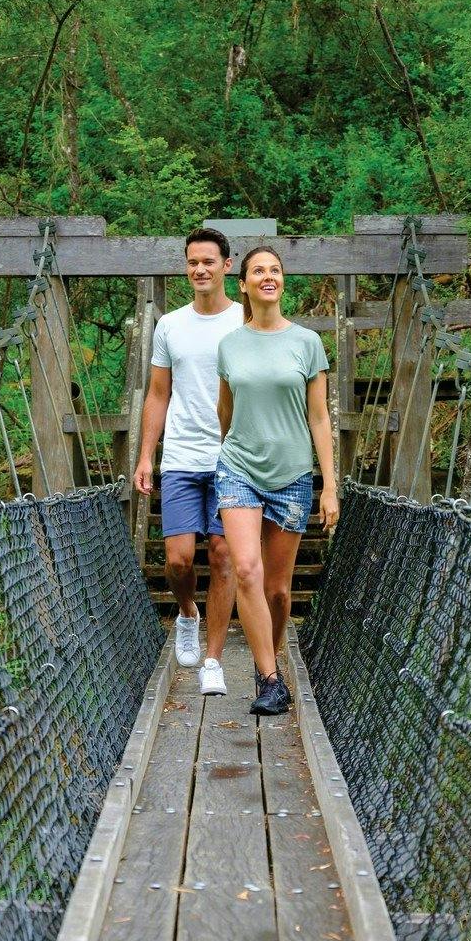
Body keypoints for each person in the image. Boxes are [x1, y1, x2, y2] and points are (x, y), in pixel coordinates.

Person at [215, 244, 339, 717]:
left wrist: (329, 486)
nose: (268, 276)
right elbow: (224, 412)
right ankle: (268, 677)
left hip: (291, 474)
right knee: (246, 568)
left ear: (283, 281)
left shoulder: (307, 343)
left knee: (278, 591)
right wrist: (234, 451)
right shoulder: (229, 345)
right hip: (239, 467)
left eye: (275, 270)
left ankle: (272, 656)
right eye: (258, 271)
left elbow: (320, 419)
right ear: (243, 285)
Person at [133, 225, 242, 694]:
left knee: (222, 556)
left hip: (232, 460)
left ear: (226, 266)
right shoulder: (169, 325)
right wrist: (144, 456)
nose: (200, 269)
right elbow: (158, 394)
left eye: (209, 262)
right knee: (178, 561)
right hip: (180, 457)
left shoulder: (246, 320)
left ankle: (213, 660)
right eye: (192, 262)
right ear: (186, 266)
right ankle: (187, 614)